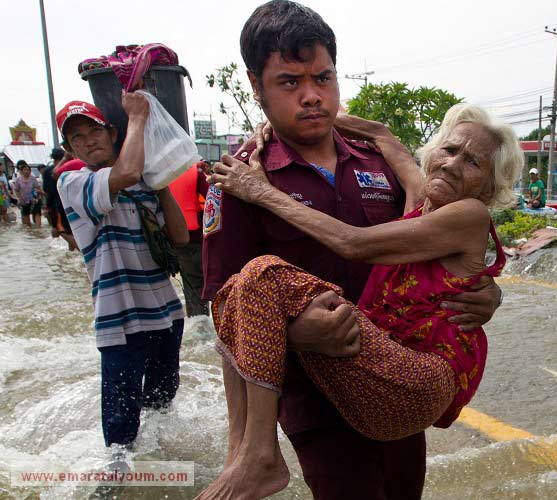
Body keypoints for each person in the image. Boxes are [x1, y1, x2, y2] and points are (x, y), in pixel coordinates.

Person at [200, 3, 502, 498]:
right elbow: (224, 302)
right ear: (257, 87)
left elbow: (442, 240)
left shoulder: (379, 159)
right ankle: (252, 455)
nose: (312, 96)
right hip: (313, 397)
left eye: (323, 78)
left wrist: (487, 292)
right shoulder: (238, 176)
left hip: (393, 370)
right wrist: (297, 333)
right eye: (290, 82)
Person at [55, 97, 189, 451]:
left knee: (161, 406)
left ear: (111, 132)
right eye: (77, 137)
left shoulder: (143, 183)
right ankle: (118, 483)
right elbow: (125, 173)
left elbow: (180, 236)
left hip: (166, 313)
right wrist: (139, 118)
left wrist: (160, 182)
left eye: (94, 130)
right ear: (70, 148)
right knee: (120, 429)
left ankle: (163, 466)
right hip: (119, 321)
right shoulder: (73, 181)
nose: (89, 140)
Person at [169, 160, 210, 316]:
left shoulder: (158, 174)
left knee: (191, 288)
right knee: (204, 285)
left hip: (171, 241)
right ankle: (212, 329)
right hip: (196, 239)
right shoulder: (195, 172)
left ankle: (197, 325)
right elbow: (213, 198)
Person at [13, 160, 45, 227]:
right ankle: (29, 233)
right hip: (24, 201)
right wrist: (19, 198)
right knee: (26, 221)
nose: (26, 171)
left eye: (28, 170)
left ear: (30, 171)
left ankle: (38, 230)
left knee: (37, 214)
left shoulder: (33, 179)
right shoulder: (18, 180)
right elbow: (16, 190)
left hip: (35, 200)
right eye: (25, 170)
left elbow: (38, 188)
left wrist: (41, 193)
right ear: (21, 171)